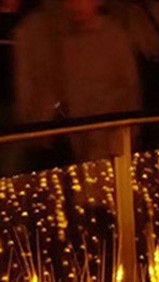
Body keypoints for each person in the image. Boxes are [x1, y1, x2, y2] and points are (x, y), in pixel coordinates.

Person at [14, 0, 141, 163]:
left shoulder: (113, 37)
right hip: (56, 153)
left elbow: (129, 96)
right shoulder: (35, 34)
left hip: (103, 156)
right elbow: (27, 109)